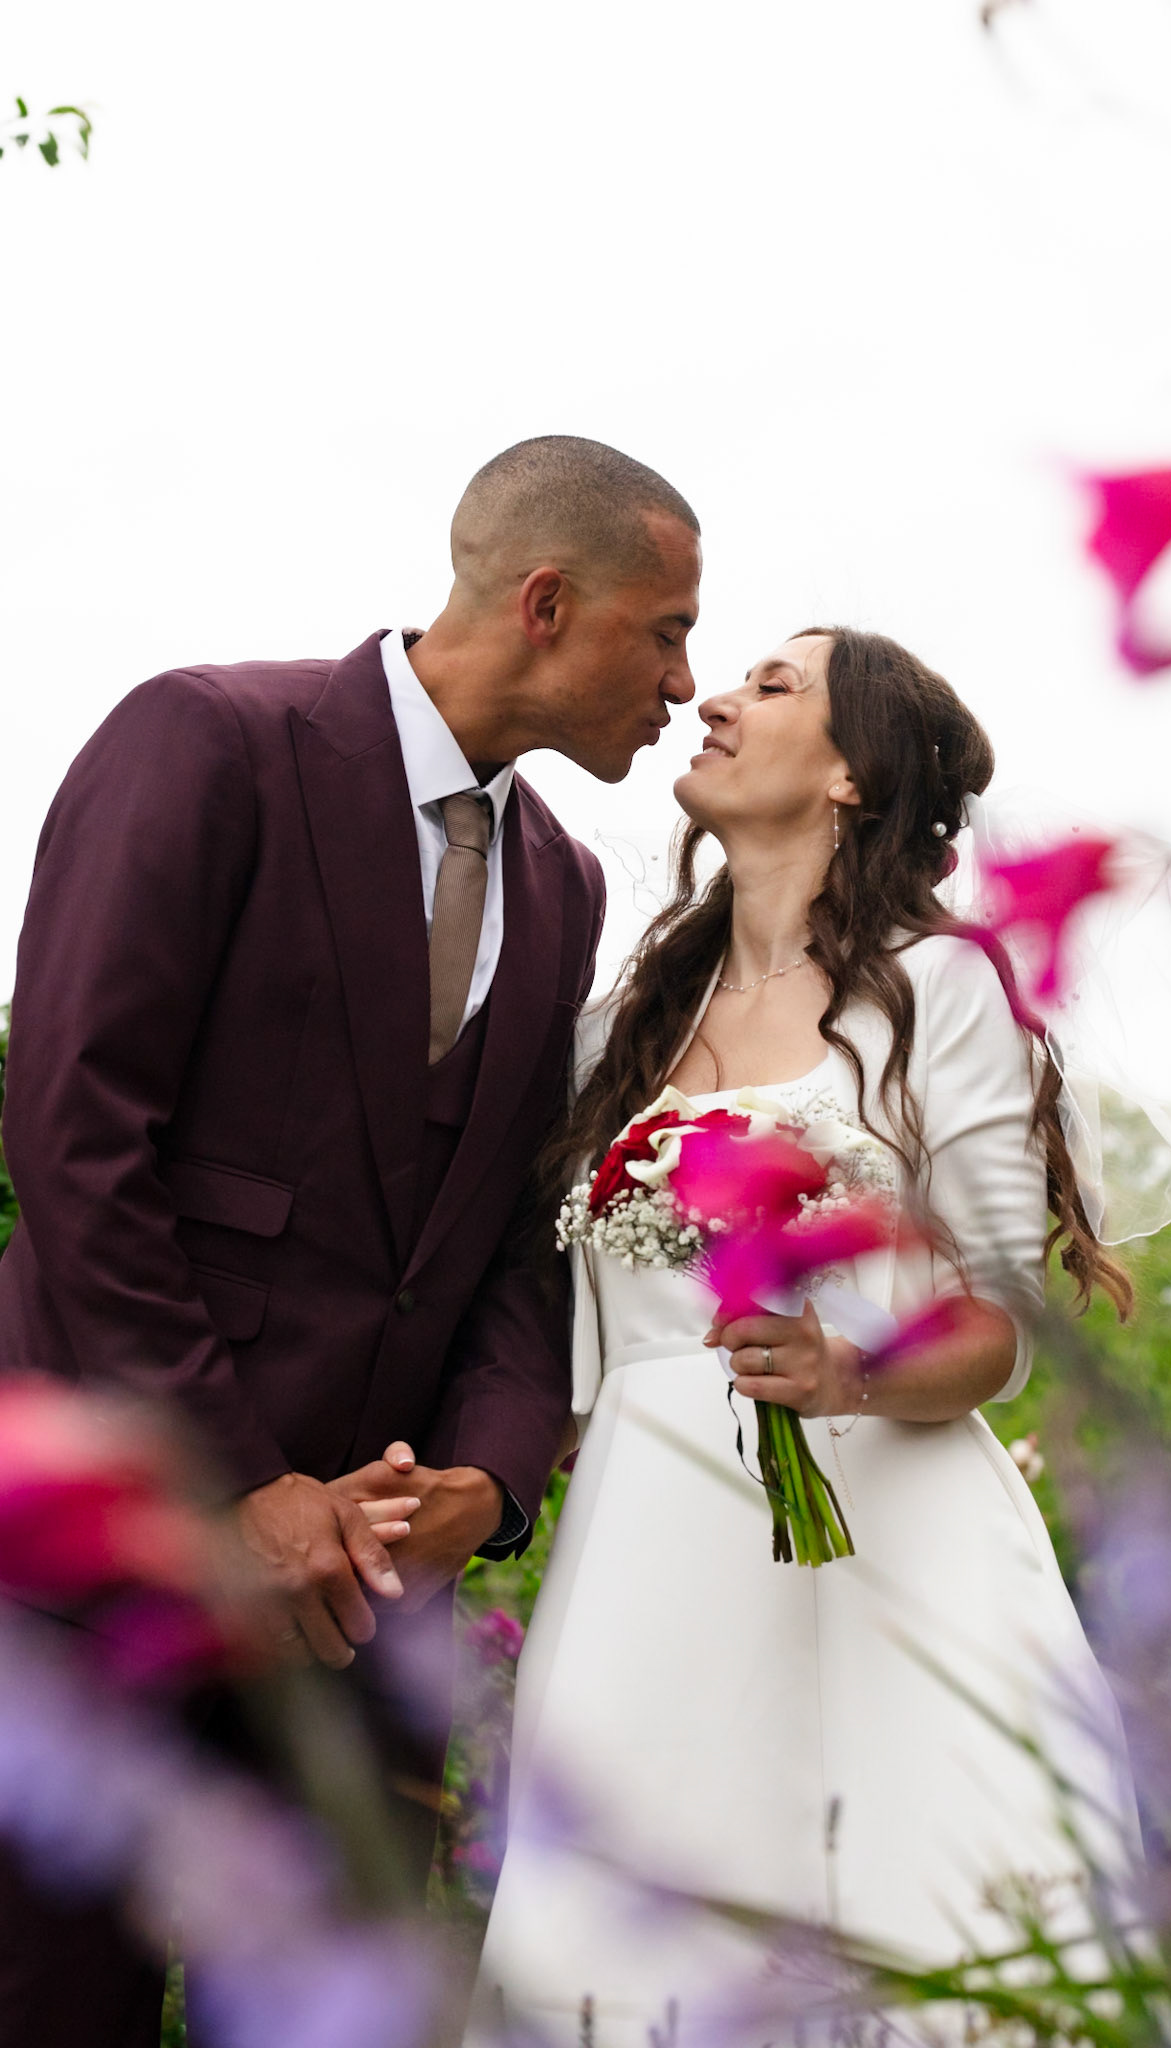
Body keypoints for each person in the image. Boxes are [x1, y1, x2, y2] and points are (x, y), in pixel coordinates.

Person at [0, 435, 702, 2046]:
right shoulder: (209, 740)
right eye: (661, 630)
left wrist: (492, 1477)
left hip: (362, 1599)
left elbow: (512, 1234)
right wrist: (238, 1482)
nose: (682, 680)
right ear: (545, 601)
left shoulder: (569, 883)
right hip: (99, 1552)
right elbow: (75, 1131)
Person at [465, 625, 1143, 2045]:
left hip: (884, 1535)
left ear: (850, 774)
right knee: (629, 1947)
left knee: (919, 1934)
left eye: (772, 687)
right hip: (647, 1545)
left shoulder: (943, 991)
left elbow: (1005, 1317)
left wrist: (852, 1368)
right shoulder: (620, 1035)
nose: (714, 698)